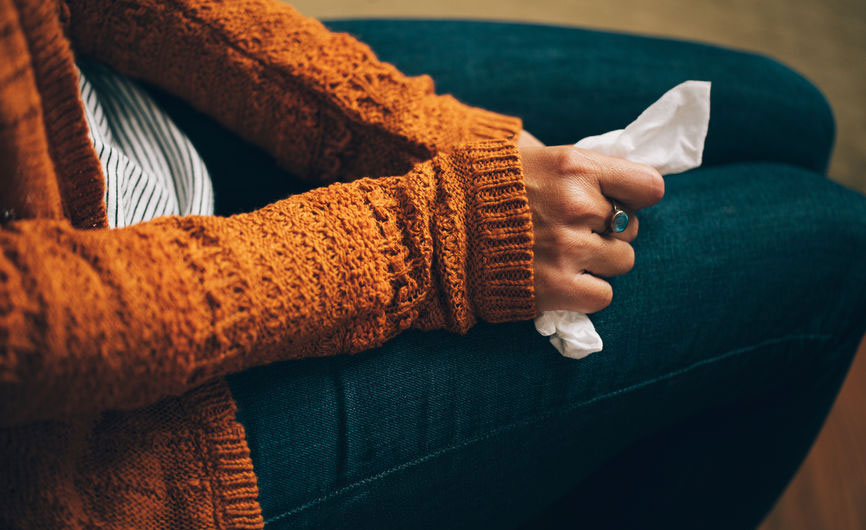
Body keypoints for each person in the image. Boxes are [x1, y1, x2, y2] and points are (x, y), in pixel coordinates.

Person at [1, 1, 864, 529]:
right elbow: (27, 329)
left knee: (782, 112)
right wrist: (445, 230)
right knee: (826, 241)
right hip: (87, 454)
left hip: (114, 120)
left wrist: (452, 143)